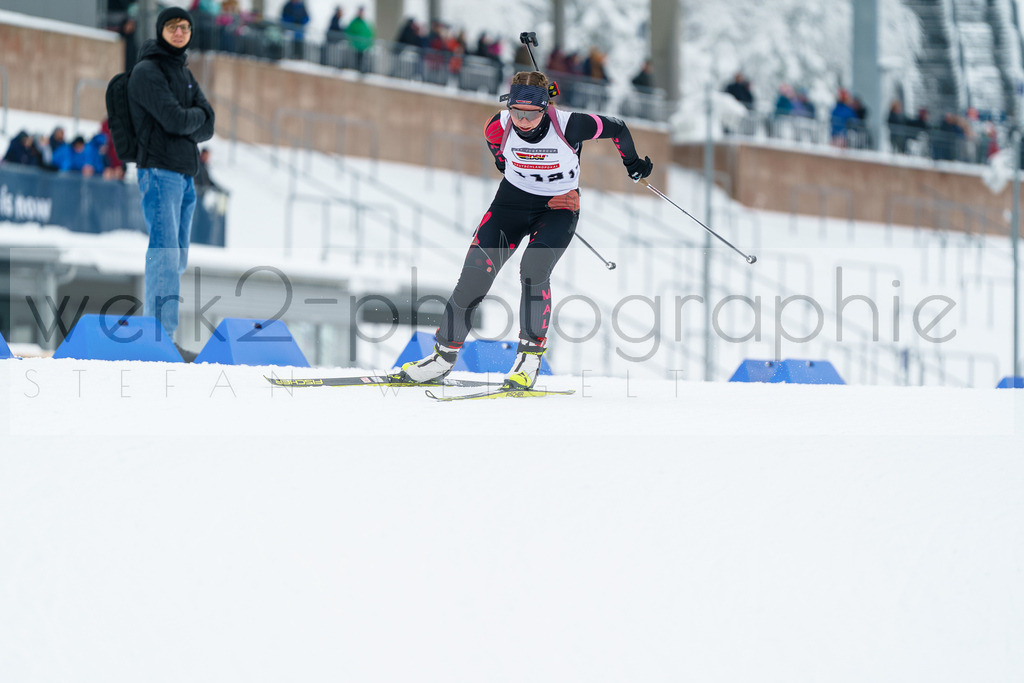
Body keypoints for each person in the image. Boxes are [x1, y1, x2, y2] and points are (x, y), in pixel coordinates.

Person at [398, 71, 653, 391]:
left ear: (545, 108)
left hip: (558, 209)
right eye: (516, 111)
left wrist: (633, 165)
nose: (522, 120)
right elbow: (500, 159)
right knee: (474, 276)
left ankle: (529, 359)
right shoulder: (498, 125)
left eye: (531, 114)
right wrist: (514, 170)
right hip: (510, 206)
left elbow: (617, 127)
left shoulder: (571, 124)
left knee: (533, 269)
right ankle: (442, 358)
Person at [128, 7, 215, 356]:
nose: (179, 32)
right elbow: (176, 119)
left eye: (184, 27)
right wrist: (192, 118)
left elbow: (209, 123)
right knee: (164, 256)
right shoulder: (148, 71)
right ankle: (159, 338)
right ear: (160, 30)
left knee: (176, 258)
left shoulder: (184, 72)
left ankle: (159, 334)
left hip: (184, 175)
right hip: (160, 172)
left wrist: (190, 119)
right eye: (172, 27)